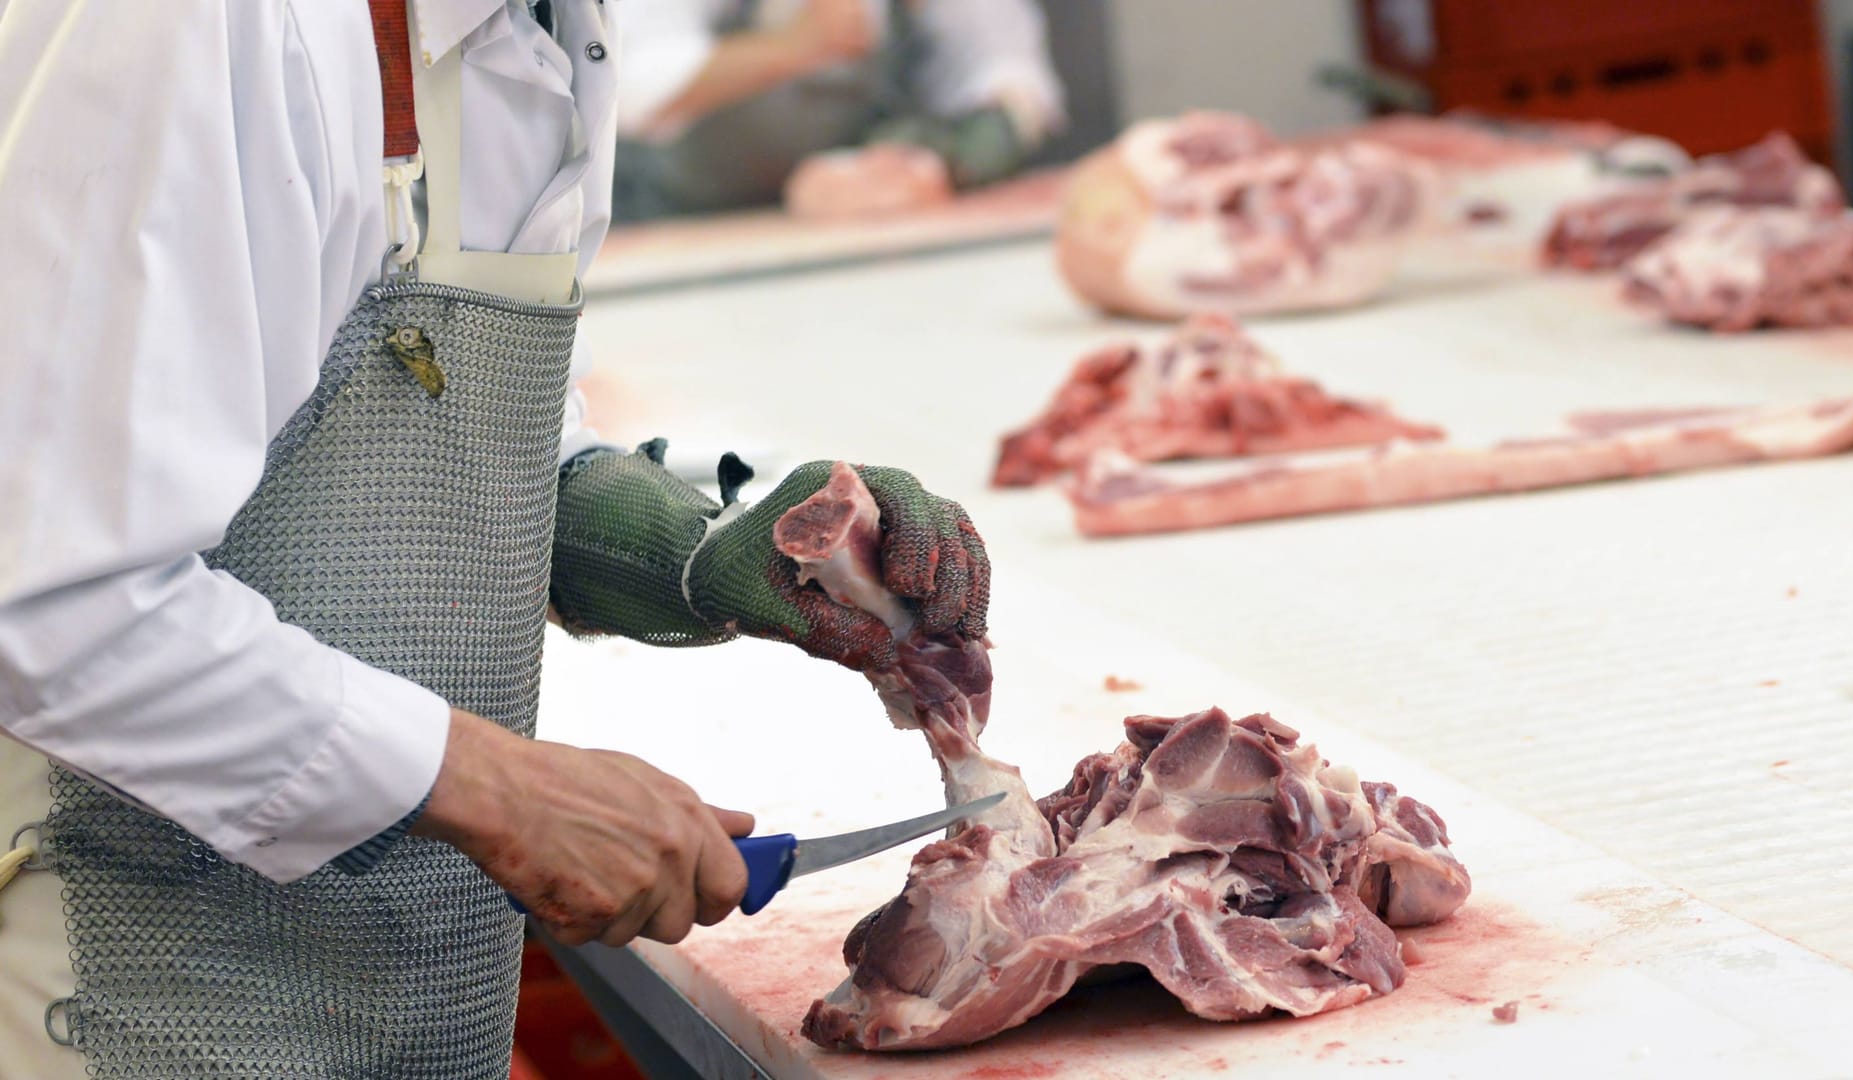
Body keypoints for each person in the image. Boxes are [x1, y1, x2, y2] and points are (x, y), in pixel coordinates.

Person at [0, 2, 987, 1077]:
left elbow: (440, 421)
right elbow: (50, 598)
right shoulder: (193, 25)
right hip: (130, 999)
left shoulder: (548, 31)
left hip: (415, 985)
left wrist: (690, 552)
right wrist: (507, 792)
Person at [611, 0, 1067, 219]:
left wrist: (964, 147)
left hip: (856, 234)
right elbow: (624, 81)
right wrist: (796, 47)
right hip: (682, 234)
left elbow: (1008, 70)